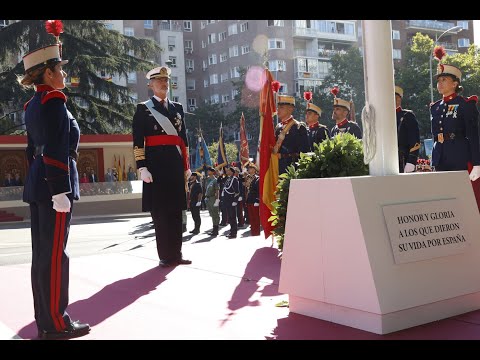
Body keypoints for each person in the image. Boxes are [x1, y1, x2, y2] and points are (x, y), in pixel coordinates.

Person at [19, 35, 90, 339]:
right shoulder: (53, 102)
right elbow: (55, 148)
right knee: (55, 256)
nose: (63, 73)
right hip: (53, 188)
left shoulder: (34, 103)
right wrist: (59, 188)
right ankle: (57, 322)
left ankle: (46, 320)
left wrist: (43, 181)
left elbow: (30, 150)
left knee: (43, 256)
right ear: (47, 73)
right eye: (60, 68)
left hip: (40, 183)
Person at [132, 65, 192, 268]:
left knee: (176, 212)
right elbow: (138, 141)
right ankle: (165, 255)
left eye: (166, 81)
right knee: (160, 213)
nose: (164, 84)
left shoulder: (178, 108)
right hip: (155, 166)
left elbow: (183, 139)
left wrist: (186, 165)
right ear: (150, 85)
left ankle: (177, 253)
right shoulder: (143, 109)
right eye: (159, 81)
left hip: (175, 165)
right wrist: (142, 167)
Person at [430, 58, 480, 210]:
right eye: (438, 80)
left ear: (455, 83)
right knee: (444, 199)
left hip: (460, 156)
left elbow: (473, 135)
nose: (439, 83)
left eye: (444, 79)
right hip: (440, 156)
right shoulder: (435, 107)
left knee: (465, 199)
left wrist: (477, 163)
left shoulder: (466, 104)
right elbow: (435, 134)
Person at [273, 95, 309, 174]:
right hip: (278, 168)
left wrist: (283, 156)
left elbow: (304, 152)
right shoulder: (278, 127)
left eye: (281, 107)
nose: (278, 110)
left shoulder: (299, 127)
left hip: (292, 169)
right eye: (278, 107)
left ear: (290, 109)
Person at [395, 86, 420, 173]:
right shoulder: (384, 118)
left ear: (400, 99)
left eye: (396, 98)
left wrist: (411, 161)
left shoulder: (407, 115)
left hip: (403, 159)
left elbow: (414, 140)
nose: (394, 100)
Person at [222, 165, 239, 238]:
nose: (227, 171)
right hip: (227, 201)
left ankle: (234, 233)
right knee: (230, 217)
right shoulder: (228, 179)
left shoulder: (234, 179)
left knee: (233, 217)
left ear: (232, 172)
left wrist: (235, 200)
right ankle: (231, 231)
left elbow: (237, 191)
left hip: (231, 200)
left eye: (229, 170)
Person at [245, 162, 260, 236]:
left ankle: (256, 231)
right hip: (249, 199)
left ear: (254, 170)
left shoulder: (257, 178)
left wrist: (258, 200)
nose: (249, 169)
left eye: (251, 168)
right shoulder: (247, 178)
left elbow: (259, 190)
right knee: (251, 217)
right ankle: (253, 231)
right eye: (249, 168)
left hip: (255, 200)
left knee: (255, 217)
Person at [204, 167, 220, 236]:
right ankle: (214, 229)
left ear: (213, 172)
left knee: (215, 214)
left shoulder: (215, 180)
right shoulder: (207, 180)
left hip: (213, 198)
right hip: (208, 199)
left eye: (209, 171)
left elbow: (217, 190)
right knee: (212, 214)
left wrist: (217, 200)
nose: (208, 172)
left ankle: (216, 230)